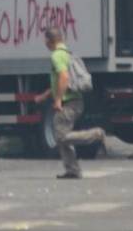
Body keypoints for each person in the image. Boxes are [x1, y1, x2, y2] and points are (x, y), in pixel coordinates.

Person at [34, 27, 105, 179]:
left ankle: (95, 134)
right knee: (62, 136)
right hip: (74, 101)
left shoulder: (57, 56)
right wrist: (45, 95)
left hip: (70, 102)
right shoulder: (67, 53)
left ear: (49, 40)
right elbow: (59, 82)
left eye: (45, 39)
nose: (44, 42)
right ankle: (72, 170)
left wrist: (58, 100)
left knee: (60, 137)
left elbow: (64, 78)